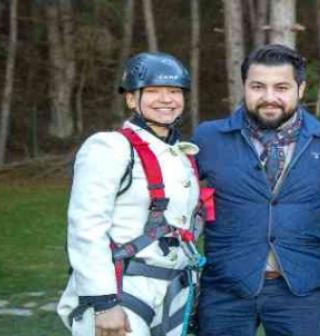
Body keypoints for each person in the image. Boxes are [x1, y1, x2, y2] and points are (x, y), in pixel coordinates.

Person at [190, 44, 320, 335]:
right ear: (244, 87)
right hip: (226, 288)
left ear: (301, 89)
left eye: (281, 87)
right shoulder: (208, 138)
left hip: (301, 289)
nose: (269, 97)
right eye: (258, 86)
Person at [57, 52, 207, 336]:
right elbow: (86, 227)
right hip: (122, 289)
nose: (166, 99)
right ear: (130, 99)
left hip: (173, 289)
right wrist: (103, 303)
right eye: (153, 91)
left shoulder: (181, 155)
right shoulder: (110, 148)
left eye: (174, 91)